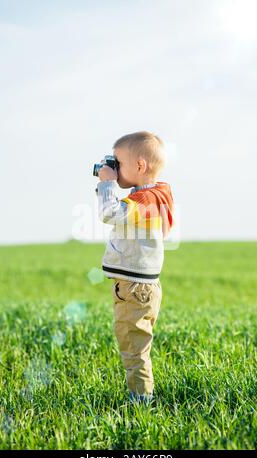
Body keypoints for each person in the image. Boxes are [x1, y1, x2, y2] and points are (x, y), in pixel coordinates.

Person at [95, 131, 174, 405]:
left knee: (134, 348)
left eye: (118, 162)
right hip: (141, 285)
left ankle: (141, 401)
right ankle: (140, 394)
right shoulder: (158, 195)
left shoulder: (145, 200)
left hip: (134, 286)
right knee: (134, 343)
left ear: (140, 166)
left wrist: (107, 185)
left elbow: (109, 214)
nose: (114, 168)